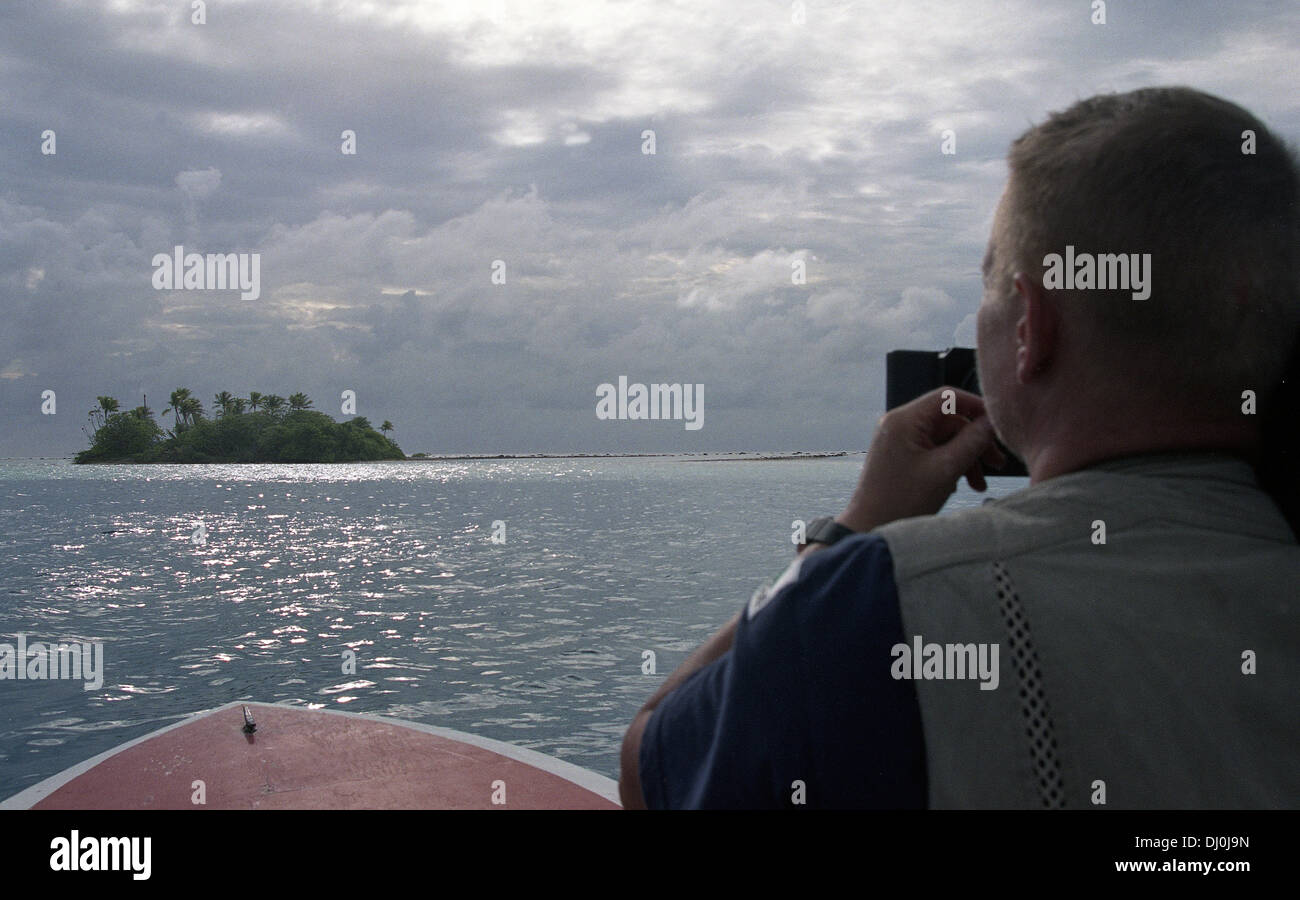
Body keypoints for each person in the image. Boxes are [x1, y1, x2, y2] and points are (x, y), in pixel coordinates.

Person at [618, 86, 1300, 809]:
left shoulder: (873, 604)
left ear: (1031, 326)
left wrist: (857, 526)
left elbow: (651, 765)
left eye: (990, 285)